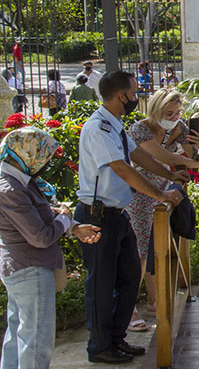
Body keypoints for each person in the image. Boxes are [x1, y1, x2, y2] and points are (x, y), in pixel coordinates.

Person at [73, 70, 185, 364]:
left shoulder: (116, 125)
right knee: (101, 284)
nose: (138, 97)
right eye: (135, 93)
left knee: (129, 277)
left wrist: (170, 174)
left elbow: (141, 157)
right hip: (98, 217)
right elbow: (123, 168)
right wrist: (159, 194)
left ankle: (116, 339)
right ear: (122, 95)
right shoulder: (98, 127)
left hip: (117, 215)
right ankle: (100, 346)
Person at [0, 127, 102, 369]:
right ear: (27, 154)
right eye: (43, 155)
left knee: (19, 335)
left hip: (23, 267)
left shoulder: (19, 179)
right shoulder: (11, 189)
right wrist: (65, 219)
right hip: (29, 268)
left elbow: (40, 215)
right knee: (36, 341)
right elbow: (39, 236)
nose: (45, 163)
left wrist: (72, 226)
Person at [125, 88, 199, 332]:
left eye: (177, 112)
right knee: (139, 253)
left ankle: (155, 302)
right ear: (155, 110)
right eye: (168, 112)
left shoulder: (179, 129)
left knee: (158, 250)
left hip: (163, 193)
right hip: (138, 193)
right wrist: (196, 161)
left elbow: (186, 158)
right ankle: (129, 309)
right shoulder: (139, 129)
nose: (174, 117)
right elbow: (162, 156)